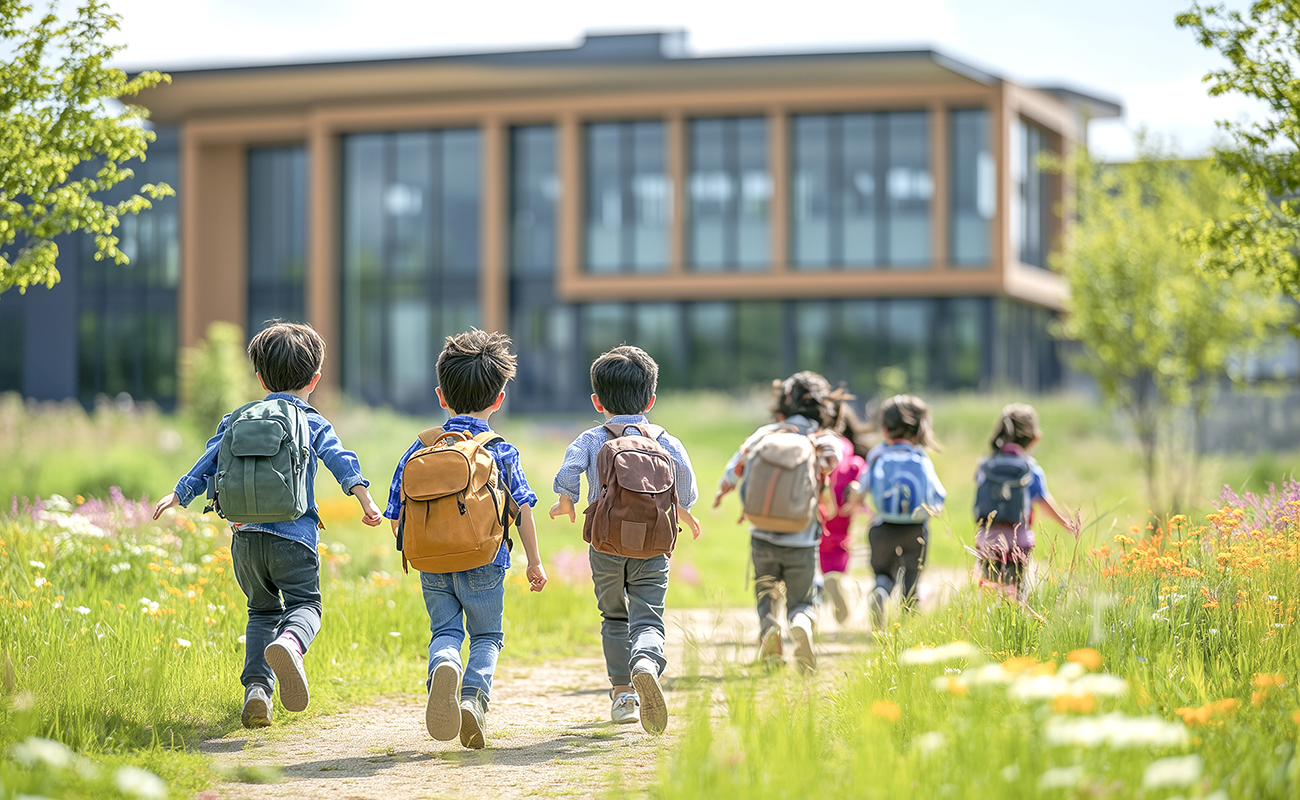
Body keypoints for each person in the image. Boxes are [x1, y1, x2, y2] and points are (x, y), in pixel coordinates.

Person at [152, 322, 384, 729]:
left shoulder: (237, 418)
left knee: (260, 611)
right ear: (315, 378)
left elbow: (209, 461)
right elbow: (339, 458)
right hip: (294, 536)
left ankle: (258, 690)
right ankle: (291, 645)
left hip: (244, 538)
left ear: (259, 377)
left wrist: (179, 494)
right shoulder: (311, 419)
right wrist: (364, 497)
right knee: (305, 605)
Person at [384, 329, 548, 750]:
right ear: (498, 399)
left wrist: (420, 544)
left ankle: (443, 663)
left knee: (445, 631)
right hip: (484, 560)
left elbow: (396, 512)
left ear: (441, 396)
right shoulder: (501, 450)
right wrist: (534, 560)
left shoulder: (420, 447)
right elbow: (523, 506)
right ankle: (473, 700)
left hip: (432, 564)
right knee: (488, 636)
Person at [551, 345, 700, 735]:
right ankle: (647, 662)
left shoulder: (591, 438)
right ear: (651, 399)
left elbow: (569, 469)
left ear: (597, 401)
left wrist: (565, 499)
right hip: (653, 544)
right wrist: (681, 507)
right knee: (647, 615)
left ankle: (623, 695)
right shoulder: (666, 440)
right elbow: (686, 486)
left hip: (605, 544)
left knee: (614, 616)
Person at [714, 372, 842, 672]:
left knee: (766, 597)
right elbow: (831, 464)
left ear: (782, 404)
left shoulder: (764, 434)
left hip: (762, 534)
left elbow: (733, 471)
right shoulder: (821, 439)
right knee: (803, 600)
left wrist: (723, 491)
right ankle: (801, 624)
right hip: (802, 537)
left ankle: (770, 634)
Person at [848, 394, 945, 630]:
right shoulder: (920, 456)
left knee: (883, 573)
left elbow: (861, 488)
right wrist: (934, 510)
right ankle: (909, 628)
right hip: (915, 528)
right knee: (912, 577)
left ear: (884, 429)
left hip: (882, 527)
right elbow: (937, 494)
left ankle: (880, 591)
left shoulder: (877, 454)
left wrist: (855, 503)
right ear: (919, 430)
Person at [974, 403, 1074, 601]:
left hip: (987, 540)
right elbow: (1044, 502)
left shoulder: (986, 465)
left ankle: (988, 626)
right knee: (1016, 594)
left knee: (990, 592)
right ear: (1035, 438)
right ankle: (1015, 627)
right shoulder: (1029, 469)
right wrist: (1067, 523)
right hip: (1018, 543)